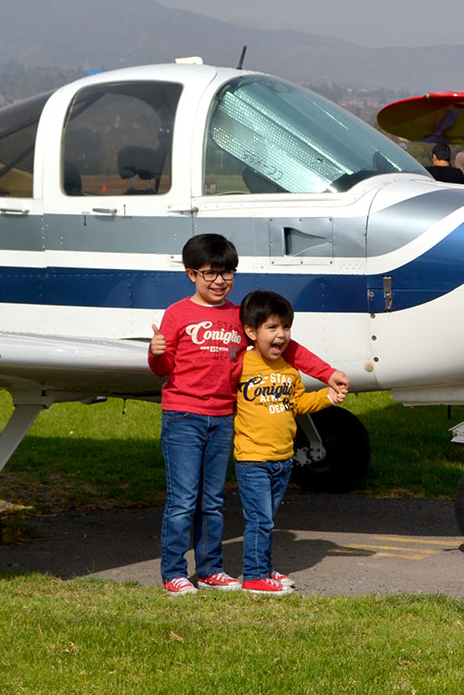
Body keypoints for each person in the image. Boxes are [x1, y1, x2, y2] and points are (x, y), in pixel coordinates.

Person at [149, 234, 349, 597]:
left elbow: (290, 350)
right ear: (191, 274)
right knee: (183, 501)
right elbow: (162, 368)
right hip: (183, 416)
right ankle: (173, 572)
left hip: (223, 417)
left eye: (227, 273)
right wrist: (156, 352)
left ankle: (210, 570)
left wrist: (327, 373)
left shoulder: (238, 317)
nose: (219, 281)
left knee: (212, 501)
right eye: (210, 273)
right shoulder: (177, 314)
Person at [233, 290, 344, 595]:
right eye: (272, 327)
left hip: (283, 460)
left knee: (267, 520)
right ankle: (254, 576)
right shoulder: (241, 365)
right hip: (252, 459)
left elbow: (298, 404)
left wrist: (328, 396)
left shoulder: (288, 368)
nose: (281, 335)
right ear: (251, 332)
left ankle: (264, 568)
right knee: (259, 520)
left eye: (286, 327)